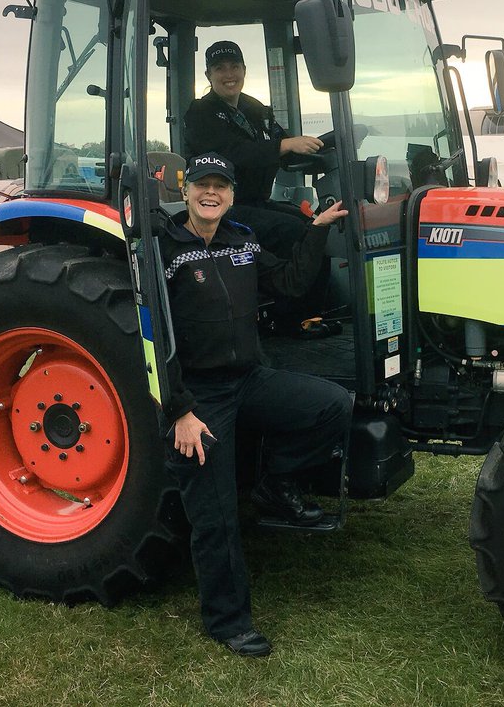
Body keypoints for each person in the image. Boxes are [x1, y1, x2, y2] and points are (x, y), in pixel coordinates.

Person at [157, 152, 353, 658]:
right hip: (199, 398)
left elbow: (288, 282)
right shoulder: (162, 250)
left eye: (220, 186)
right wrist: (180, 410)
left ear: (230, 195)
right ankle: (228, 622)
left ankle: (273, 482)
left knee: (332, 406)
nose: (211, 193)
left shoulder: (241, 242)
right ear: (186, 190)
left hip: (249, 378)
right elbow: (152, 339)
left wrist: (317, 231)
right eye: (202, 184)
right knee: (215, 513)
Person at [185, 41, 334, 335]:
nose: (229, 74)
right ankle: (288, 318)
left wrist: (317, 147)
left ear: (244, 70)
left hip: (256, 202)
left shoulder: (255, 109)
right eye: (220, 68)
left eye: (234, 67)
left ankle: (312, 314)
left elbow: (281, 142)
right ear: (208, 75)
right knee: (292, 232)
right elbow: (236, 152)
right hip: (223, 208)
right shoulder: (200, 114)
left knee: (315, 227)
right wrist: (285, 145)